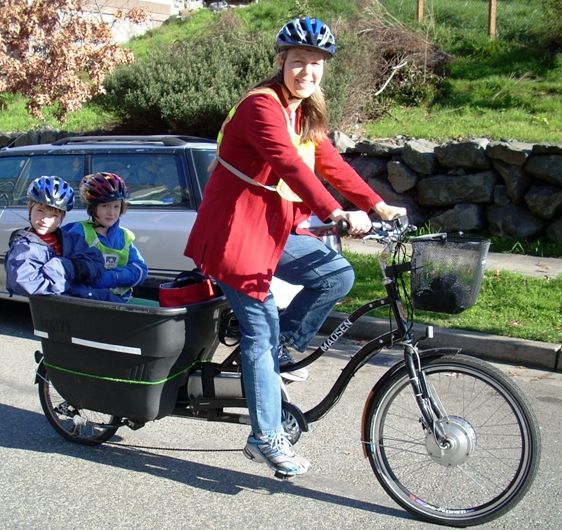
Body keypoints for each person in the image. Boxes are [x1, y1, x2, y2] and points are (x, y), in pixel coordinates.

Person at [184, 16, 407, 477]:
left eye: (316, 63)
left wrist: (378, 204)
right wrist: (335, 212)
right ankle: (264, 436)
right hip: (236, 235)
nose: (307, 71)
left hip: (274, 229)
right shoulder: (260, 107)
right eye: (299, 61)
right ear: (282, 61)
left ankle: (279, 351)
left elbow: (329, 163)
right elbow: (289, 164)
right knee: (259, 336)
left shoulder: (304, 111)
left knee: (335, 275)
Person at [5, 176, 103, 297]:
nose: (45, 220)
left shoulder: (71, 239)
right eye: (40, 211)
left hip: (84, 302)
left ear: (62, 218)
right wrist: (67, 268)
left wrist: (71, 267)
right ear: (29, 208)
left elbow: (96, 262)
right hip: (51, 310)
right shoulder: (24, 247)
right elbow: (24, 283)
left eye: (54, 216)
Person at [64, 172, 148, 303]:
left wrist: (113, 277)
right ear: (92, 208)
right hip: (90, 303)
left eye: (116, 206)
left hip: (123, 301)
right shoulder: (78, 233)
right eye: (105, 206)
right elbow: (74, 276)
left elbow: (140, 270)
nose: (111, 213)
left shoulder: (124, 236)